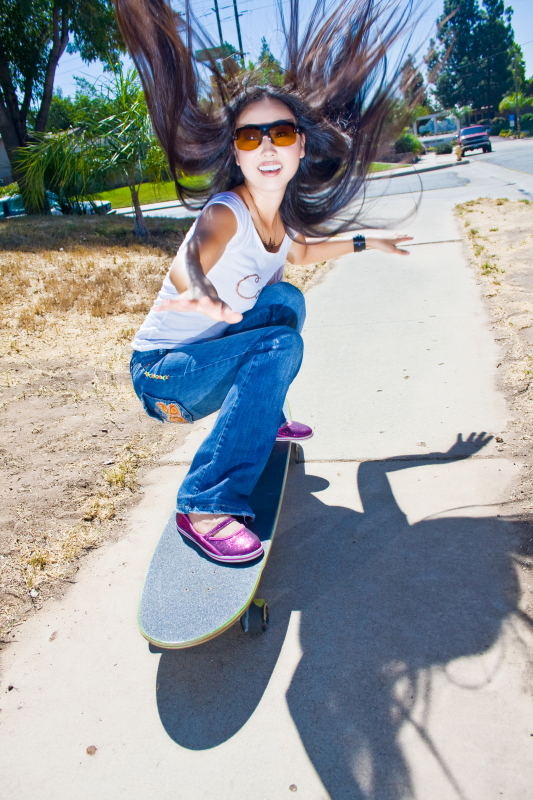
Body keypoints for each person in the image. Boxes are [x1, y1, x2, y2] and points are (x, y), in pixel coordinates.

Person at [117, 0, 415, 564]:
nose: (268, 146)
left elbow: (301, 253)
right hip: (164, 379)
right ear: (237, 153)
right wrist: (196, 288)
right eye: (251, 137)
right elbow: (190, 261)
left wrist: (366, 241)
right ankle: (204, 502)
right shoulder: (227, 211)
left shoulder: (279, 219)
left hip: (205, 359)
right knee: (280, 342)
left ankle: (264, 417)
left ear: (301, 145)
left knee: (284, 301)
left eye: (280, 132)